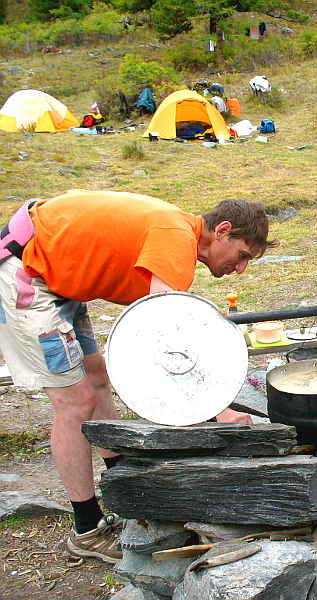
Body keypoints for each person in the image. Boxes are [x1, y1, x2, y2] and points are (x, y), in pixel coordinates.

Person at [0, 190, 273, 564]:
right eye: (242, 256)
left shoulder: (177, 233)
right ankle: (88, 529)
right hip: (28, 275)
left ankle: (123, 483)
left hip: (58, 274)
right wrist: (218, 410)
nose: (240, 269)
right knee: (75, 402)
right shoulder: (176, 239)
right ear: (222, 231)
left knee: (97, 378)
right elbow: (162, 340)